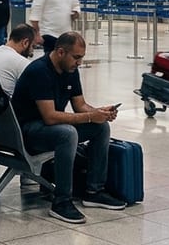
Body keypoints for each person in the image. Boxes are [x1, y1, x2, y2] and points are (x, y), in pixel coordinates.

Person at [12, 32, 125, 223]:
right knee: (68, 133)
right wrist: (90, 116)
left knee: (101, 127)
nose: (79, 63)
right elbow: (50, 117)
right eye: (77, 57)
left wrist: (99, 113)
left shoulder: (71, 70)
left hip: (49, 128)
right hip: (28, 132)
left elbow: (80, 105)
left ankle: (94, 190)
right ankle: (61, 201)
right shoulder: (39, 71)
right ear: (61, 52)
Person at [0, 23, 34, 96]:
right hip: (7, 105)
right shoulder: (22, 62)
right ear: (25, 43)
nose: (32, 51)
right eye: (33, 46)